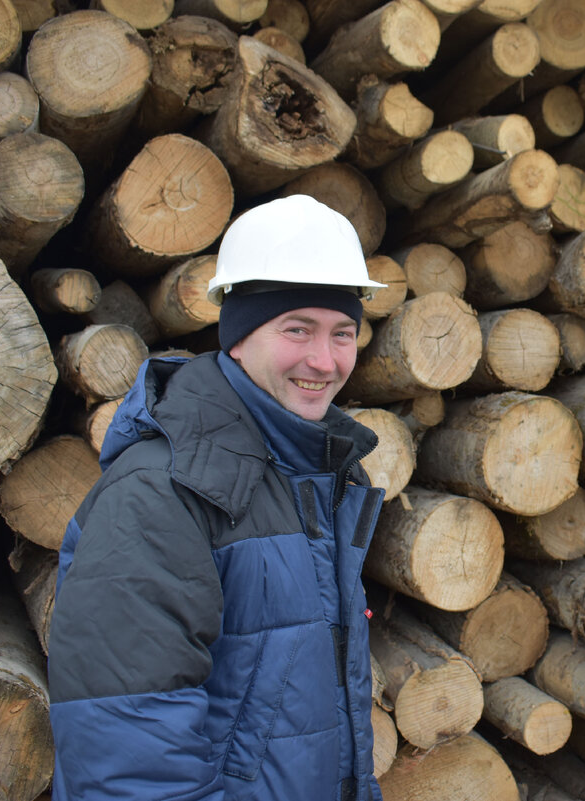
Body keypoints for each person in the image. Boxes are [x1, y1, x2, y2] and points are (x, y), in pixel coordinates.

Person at [48, 195, 389, 801]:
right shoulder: (160, 493)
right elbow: (129, 762)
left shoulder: (317, 475)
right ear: (237, 337)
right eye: (296, 329)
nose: (325, 360)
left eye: (343, 333)